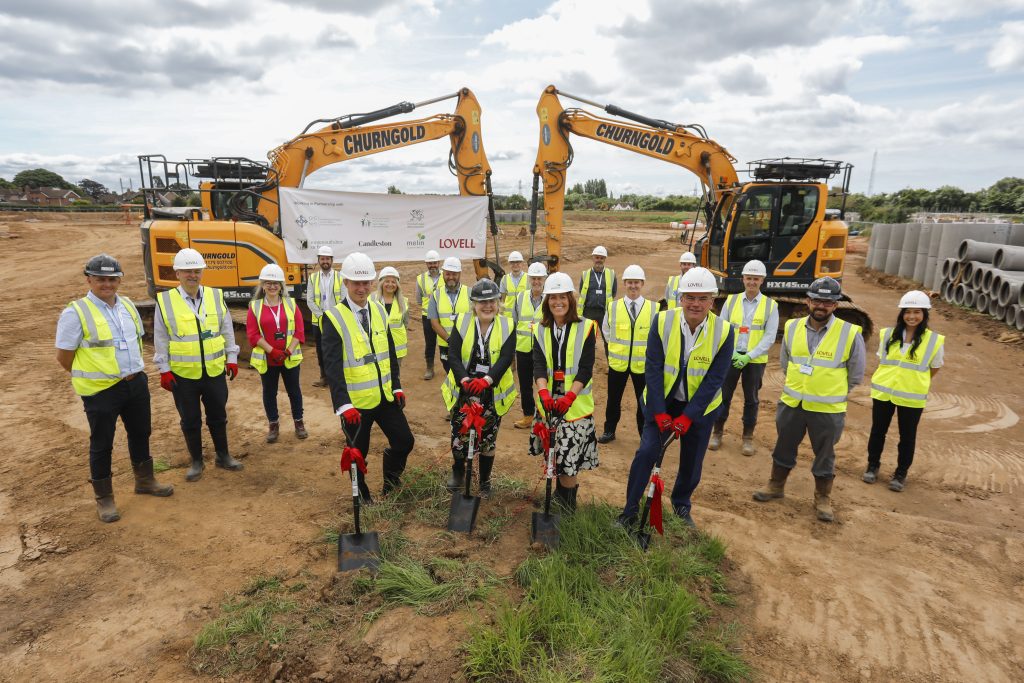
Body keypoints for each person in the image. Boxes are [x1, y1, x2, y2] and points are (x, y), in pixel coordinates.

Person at [56, 254, 173, 523]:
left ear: (119, 280)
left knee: (141, 433)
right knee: (102, 444)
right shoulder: (76, 312)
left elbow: (136, 341)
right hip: (100, 391)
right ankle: (104, 498)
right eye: (100, 279)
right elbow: (64, 356)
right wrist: (94, 378)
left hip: (135, 383)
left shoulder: (128, 306)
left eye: (111, 279)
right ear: (89, 279)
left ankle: (145, 480)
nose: (106, 284)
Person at [617, 267, 733, 530]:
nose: (695, 303)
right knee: (646, 452)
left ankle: (681, 504)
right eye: (690, 297)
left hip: (701, 408)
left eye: (702, 298)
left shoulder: (724, 331)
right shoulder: (662, 321)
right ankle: (629, 510)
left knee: (692, 462)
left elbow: (715, 380)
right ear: (680, 298)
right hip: (662, 402)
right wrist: (659, 412)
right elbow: (653, 368)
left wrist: (689, 416)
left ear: (712, 301)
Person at [752, 276, 865, 522]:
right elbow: (786, 363)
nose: (821, 306)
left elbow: (855, 375)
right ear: (808, 301)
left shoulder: (849, 333)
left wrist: (827, 391)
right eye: (816, 300)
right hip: (793, 404)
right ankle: (775, 485)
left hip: (827, 409)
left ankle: (822, 498)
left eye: (827, 302)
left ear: (836, 305)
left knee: (825, 454)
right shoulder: (792, 328)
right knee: (784, 445)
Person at [322, 252, 414, 501]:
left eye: (366, 283)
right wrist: (343, 404)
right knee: (357, 454)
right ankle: (362, 495)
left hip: (384, 396)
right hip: (356, 404)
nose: (361, 288)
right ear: (346, 284)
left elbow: (390, 353)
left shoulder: (379, 311)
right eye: (356, 283)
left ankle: (391, 485)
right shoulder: (333, 318)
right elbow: (332, 367)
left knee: (404, 441)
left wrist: (396, 386)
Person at [154, 248, 243, 481]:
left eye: (196, 271)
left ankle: (223, 456)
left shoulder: (215, 296)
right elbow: (161, 338)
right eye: (187, 272)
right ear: (178, 274)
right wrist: (164, 369)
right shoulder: (165, 301)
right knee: (190, 419)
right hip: (183, 376)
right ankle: (196, 461)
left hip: (214, 371)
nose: (192, 275)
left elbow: (226, 328)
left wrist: (231, 358)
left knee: (218, 415)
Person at [440, 279, 517, 497]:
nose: (487, 306)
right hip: (464, 389)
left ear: (498, 302)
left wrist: (487, 380)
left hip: (491, 391)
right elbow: (453, 355)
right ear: (473, 304)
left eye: (491, 301)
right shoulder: (462, 322)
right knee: (460, 433)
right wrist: (464, 380)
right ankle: (458, 472)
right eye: (481, 301)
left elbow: (506, 357)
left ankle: (484, 481)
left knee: (488, 437)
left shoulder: (507, 324)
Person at [529, 272, 599, 511]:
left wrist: (570, 396)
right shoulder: (539, 330)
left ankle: (567, 512)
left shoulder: (586, 327)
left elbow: (585, 368)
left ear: (571, 299)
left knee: (568, 463)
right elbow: (538, 365)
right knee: (553, 458)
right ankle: (557, 504)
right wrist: (544, 393)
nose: (558, 302)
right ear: (547, 301)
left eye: (563, 297)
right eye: (552, 298)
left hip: (574, 408)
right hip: (548, 405)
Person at [864, 290, 944, 492]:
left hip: (911, 395)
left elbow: (934, 367)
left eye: (917, 312)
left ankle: (900, 474)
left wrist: (915, 381)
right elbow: (883, 360)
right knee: (877, 431)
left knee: (907, 437)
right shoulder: (888, 334)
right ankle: (873, 466)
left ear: (925, 314)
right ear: (902, 313)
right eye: (908, 311)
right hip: (884, 392)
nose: (912, 316)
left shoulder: (934, 341)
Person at [709, 259, 778, 456]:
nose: (752, 282)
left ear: (762, 280)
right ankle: (717, 433)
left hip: (754, 361)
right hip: (730, 358)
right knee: (723, 396)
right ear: (743, 279)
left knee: (752, 399)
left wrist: (749, 356)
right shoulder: (731, 301)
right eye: (749, 278)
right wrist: (731, 353)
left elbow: (769, 336)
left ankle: (747, 438)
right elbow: (722, 329)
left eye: (756, 279)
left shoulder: (770, 306)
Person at [247, 263, 306, 444]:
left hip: (289, 358)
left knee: (294, 391)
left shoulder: (290, 304)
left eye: (276, 283)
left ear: (281, 285)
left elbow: (299, 331)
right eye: (268, 283)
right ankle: (273, 424)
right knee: (269, 392)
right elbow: (253, 334)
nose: (272, 286)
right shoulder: (255, 306)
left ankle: (299, 423)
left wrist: (287, 351)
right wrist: (272, 351)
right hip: (268, 359)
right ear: (262, 285)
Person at [598, 264, 657, 444]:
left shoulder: (653, 308)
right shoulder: (613, 307)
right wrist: (618, 350)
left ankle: (644, 433)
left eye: (637, 282)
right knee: (613, 399)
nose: (633, 286)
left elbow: (657, 336)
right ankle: (609, 430)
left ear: (642, 283)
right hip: (618, 364)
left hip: (642, 365)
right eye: (630, 282)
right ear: (624, 283)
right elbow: (606, 331)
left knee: (643, 402)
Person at [511, 262, 547, 429]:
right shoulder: (520, 298)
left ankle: (543, 415)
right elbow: (515, 322)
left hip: (543, 351)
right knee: (525, 385)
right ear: (529, 279)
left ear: (544, 279)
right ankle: (528, 415)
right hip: (523, 349)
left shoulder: (550, 299)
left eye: (539, 278)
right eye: (533, 278)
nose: (536, 282)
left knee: (543, 384)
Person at [306, 245, 345, 388]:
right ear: (319, 260)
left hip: (336, 320)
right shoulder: (313, 278)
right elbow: (310, 300)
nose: (325, 261)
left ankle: (337, 377)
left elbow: (343, 298)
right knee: (321, 350)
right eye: (322, 259)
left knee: (337, 349)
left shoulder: (340, 277)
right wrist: (321, 316)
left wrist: (332, 315)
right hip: (319, 322)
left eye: (327, 258)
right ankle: (324, 377)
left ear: (332, 260)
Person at [428, 256, 471, 375]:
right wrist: (449, 339)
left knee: (467, 373)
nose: (451, 277)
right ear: (443, 274)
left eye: (454, 274)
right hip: (445, 344)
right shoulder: (436, 295)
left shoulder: (470, 293)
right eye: (448, 274)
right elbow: (434, 323)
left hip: (467, 344)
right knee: (451, 373)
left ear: (460, 274)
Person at [371, 266, 409, 366]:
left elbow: (405, 323)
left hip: (397, 347)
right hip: (378, 346)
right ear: (381, 282)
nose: (390, 284)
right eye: (387, 281)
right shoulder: (371, 299)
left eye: (393, 282)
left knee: (396, 376)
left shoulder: (403, 302)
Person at [415, 250, 443, 379]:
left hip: (444, 315)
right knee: (430, 343)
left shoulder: (446, 276)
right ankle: (430, 368)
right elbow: (419, 299)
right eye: (430, 263)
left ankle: (452, 367)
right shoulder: (420, 279)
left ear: (439, 263)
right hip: (428, 317)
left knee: (448, 342)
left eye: (435, 263)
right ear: (426, 264)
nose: (433, 265)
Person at [578, 245, 617, 323]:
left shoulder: (611, 275)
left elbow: (613, 292)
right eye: (597, 257)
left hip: (604, 312)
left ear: (605, 259)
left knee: (606, 335)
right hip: (588, 311)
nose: (599, 260)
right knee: (587, 334)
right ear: (593, 258)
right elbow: (581, 291)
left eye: (601, 258)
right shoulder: (585, 274)